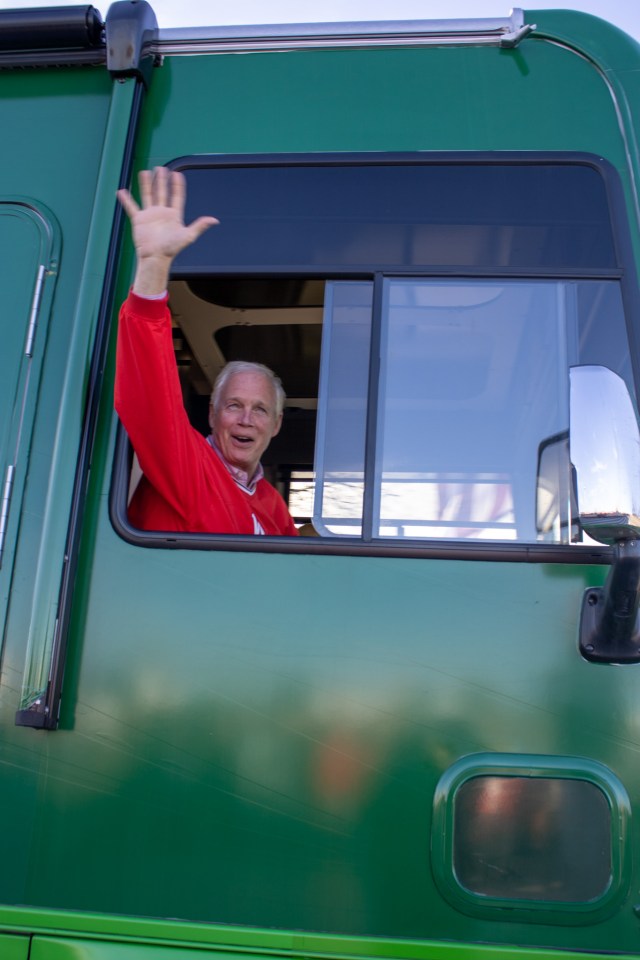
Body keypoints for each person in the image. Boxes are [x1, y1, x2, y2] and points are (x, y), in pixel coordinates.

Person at [115, 166, 299, 536]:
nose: (246, 419)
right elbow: (151, 397)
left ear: (276, 424)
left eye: (260, 409)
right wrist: (154, 264)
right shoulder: (189, 466)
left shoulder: (273, 507)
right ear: (212, 415)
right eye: (233, 405)